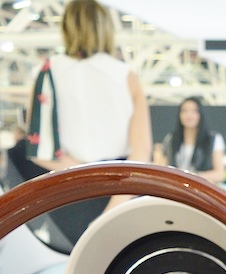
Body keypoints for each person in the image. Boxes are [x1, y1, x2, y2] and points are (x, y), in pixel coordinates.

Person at [25, 0, 150, 175]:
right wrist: (118, 200)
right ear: (105, 28)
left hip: (69, 182)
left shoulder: (46, 72)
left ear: (66, 27)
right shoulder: (125, 74)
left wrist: (86, 176)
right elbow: (141, 151)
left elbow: (39, 147)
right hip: (122, 183)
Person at [153, 97, 226, 185]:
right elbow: (162, 167)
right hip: (175, 189)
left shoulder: (213, 139)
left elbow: (219, 174)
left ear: (200, 114)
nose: (189, 115)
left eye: (194, 111)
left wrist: (192, 176)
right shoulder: (171, 139)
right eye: (185, 111)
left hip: (201, 190)